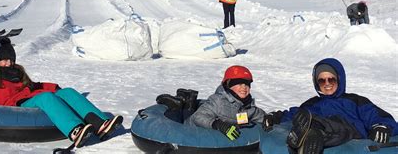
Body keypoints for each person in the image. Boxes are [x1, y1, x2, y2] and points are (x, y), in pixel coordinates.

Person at [0, 38, 123, 148]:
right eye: (4, 60)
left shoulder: (18, 75)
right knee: (46, 98)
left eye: (11, 60)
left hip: (29, 99)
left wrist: (54, 87)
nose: (8, 63)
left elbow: (35, 86)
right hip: (16, 106)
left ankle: (100, 124)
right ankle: (75, 130)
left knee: (68, 92)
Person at [262, 58, 397, 154]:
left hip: (350, 134)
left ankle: (314, 132)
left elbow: (376, 115)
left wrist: (382, 126)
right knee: (305, 118)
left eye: (331, 79)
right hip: (320, 134)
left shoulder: (354, 101)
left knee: (326, 122)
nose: (327, 83)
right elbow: (292, 114)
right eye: (321, 80)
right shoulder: (311, 104)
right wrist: (275, 117)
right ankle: (309, 135)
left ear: (339, 79)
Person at [157, 65, 266, 141]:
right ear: (229, 85)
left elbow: (260, 116)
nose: (244, 88)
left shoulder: (249, 107)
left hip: (217, 137)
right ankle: (176, 105)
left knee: (191, 110)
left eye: (247, 84)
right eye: (239, 84)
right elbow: (198, 117)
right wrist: (217, 124)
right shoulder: (218, 101)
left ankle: (189, 100)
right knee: (181, 117)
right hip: (191, 130)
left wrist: (271, 118)